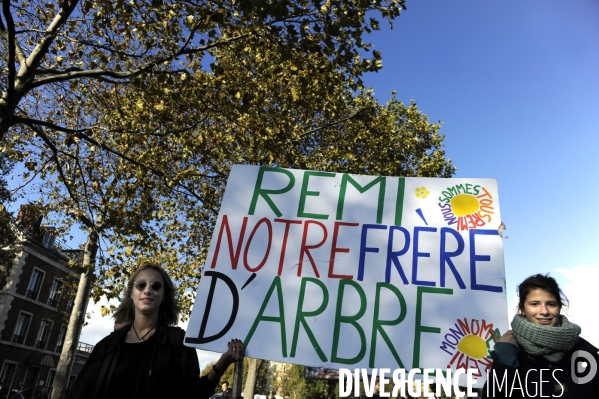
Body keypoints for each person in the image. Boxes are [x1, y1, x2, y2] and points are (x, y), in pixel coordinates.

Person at [66, 261, 245, 399]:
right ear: (131, 293)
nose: (147, 290)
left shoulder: (177, 342)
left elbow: (192, 395)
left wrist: (222, 364)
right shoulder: (108, 346)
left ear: (164, 295)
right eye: (141, 285)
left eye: (156, 286)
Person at [482, 273, 599, 398]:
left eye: (551, 304)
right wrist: (503, 363)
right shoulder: (512, 350)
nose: (544, 311)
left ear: (559, 307)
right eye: (534, 304)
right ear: (522, 308)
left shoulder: (584, 350)